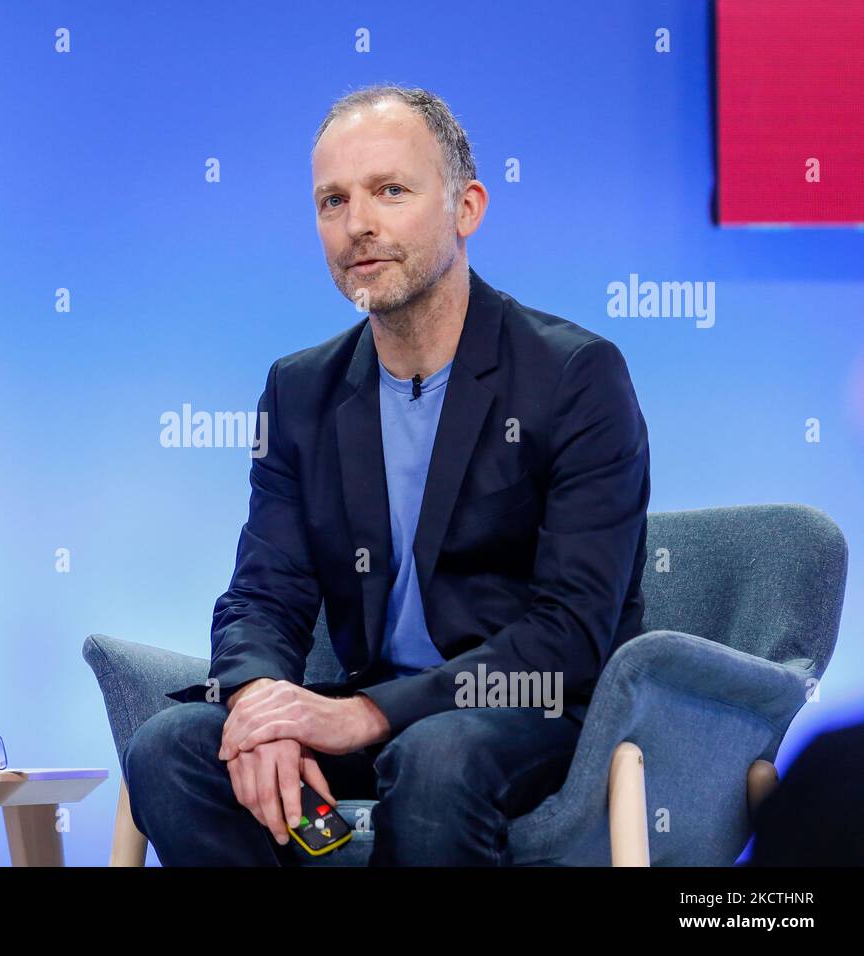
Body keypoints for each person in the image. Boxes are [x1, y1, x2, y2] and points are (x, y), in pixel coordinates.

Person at [124, 84, 651, 865]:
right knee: (171, 749)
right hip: (375, 710)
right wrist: (259, 704)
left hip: (521, 707)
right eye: (332, 201)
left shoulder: (574, 375)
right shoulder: (299, 391)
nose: (358, 225)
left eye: (390, 191)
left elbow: (569, 634)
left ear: (466, 208)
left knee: (438, 757)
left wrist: (367, 713)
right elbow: (264, 591)